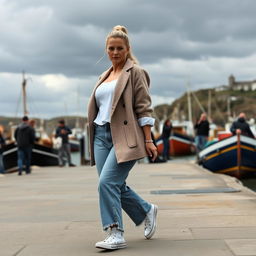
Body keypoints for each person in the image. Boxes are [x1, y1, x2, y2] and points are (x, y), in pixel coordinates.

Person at [87, 25, 158, 250]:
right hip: (101, 134)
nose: (115, 52)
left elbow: (144, 108)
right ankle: (146, 209)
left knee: (107, 183)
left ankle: (115, 231)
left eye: (119, 48)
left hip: (125, 136)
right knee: (111, 184)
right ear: (106, 50)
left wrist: (148, 140)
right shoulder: (103, 75)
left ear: (127, 49)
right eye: (111, 48)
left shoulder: (136, 72)